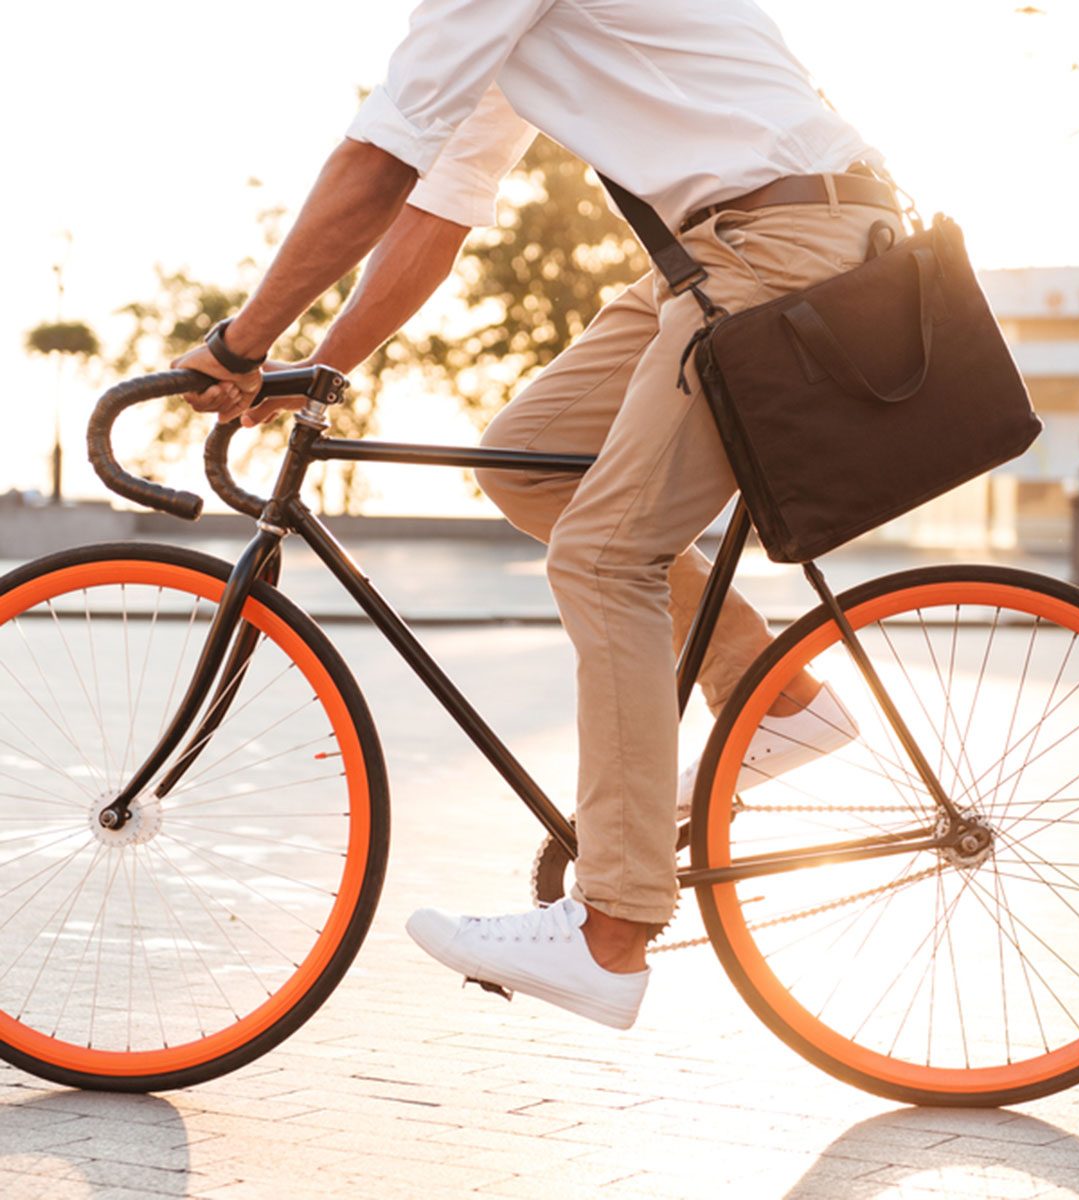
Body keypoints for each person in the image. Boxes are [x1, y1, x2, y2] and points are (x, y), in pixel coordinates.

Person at [174, 0, 896, 1031]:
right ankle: (772, 695)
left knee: (605, 558)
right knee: (526, 457)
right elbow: (437, 206)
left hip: (775, 241)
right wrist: (322, 367)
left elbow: (378, 163)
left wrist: (240, 341)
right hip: (727, 244)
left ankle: (610, 932)